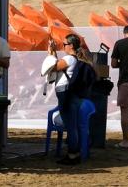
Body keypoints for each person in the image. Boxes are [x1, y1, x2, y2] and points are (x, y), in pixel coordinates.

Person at [47, 34, 94, 165]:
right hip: (70, 95)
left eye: (64, 44)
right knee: (73, 126)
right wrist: (53, 53)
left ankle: (73, 155)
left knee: (70, 126)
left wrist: (51, 53)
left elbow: (54, 67)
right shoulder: (73, 59)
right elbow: (57, 66)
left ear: (71, 46)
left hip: (66, 95)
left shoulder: (69, 58)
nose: (63, 46)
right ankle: (75, 153)